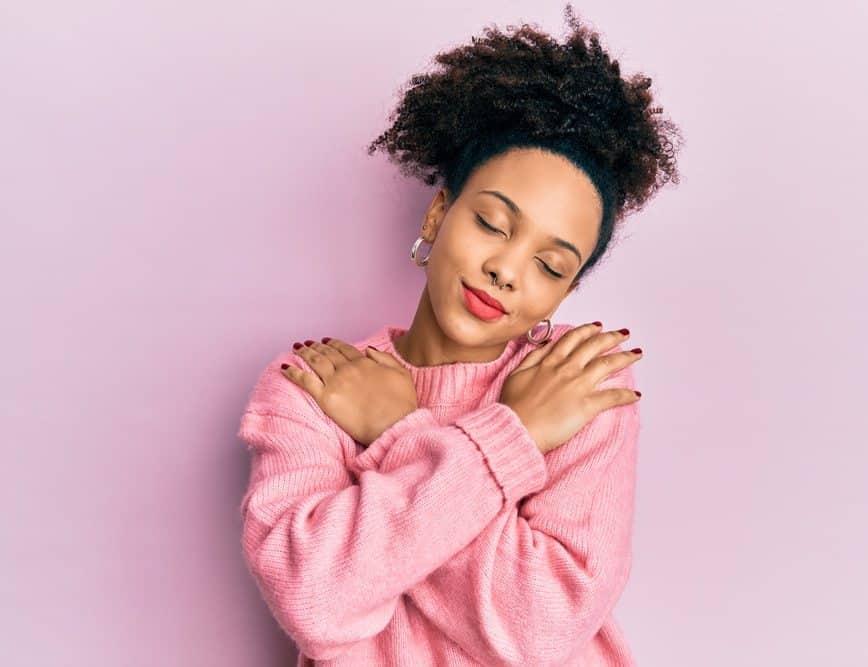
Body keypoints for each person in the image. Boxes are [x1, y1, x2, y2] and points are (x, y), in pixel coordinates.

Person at [236, 4, 682, 665]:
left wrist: (399, 429)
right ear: (441, 210)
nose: (506, 269)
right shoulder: (312, 385)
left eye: (551, 264)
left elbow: (543, 629)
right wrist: (514, 436)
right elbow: (317, 598)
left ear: (567, 290)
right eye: (495, 224)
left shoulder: (584, 384)